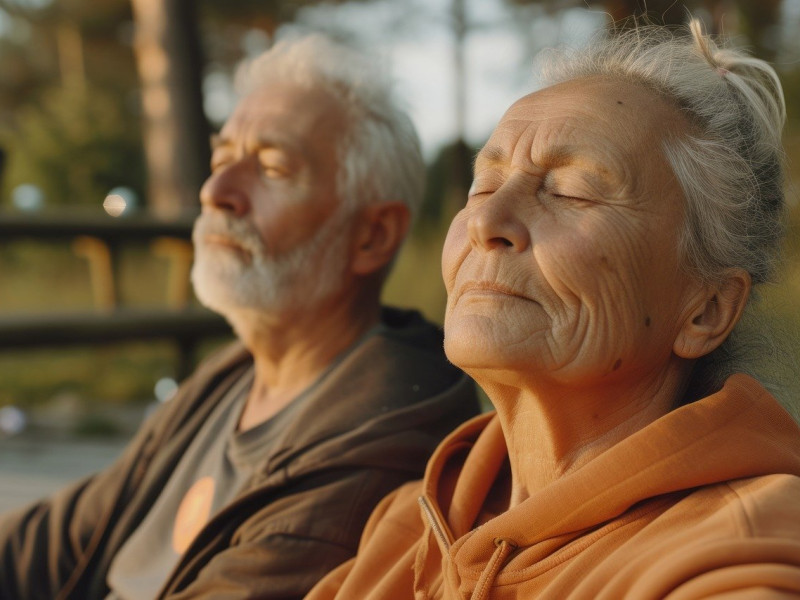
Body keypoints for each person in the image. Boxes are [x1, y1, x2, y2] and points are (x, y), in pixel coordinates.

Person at [307, 20, 800, 600]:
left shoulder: (737, 551)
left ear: (706, 310)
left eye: (570, 192)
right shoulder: (411, 523)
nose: (488, 224)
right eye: (484, 186)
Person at [0, 34, 479, 600]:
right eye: (222, 158)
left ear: (372, 235)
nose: (216, 191)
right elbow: (56, 539)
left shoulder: (382, 433)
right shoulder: (236, 376)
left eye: (272, 168)